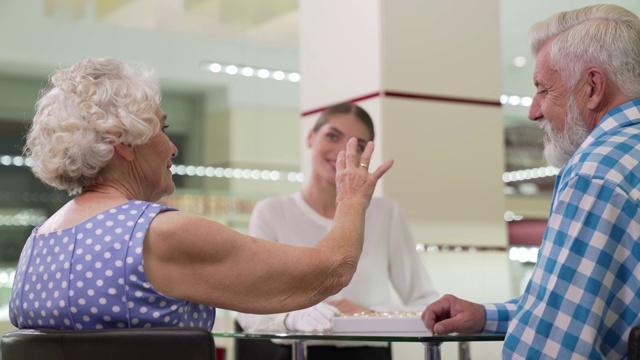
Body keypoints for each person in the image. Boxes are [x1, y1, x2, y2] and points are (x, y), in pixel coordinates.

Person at [8, 58, 394, 331]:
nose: (173, 149)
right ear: (122, 142)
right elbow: (328, 270)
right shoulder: (159, 236)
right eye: (162, 128)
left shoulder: (37, 242)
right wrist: (352, 200)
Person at [422, 4, 640, 359]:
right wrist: (486, 316)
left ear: (593, 87)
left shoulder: (595, 173)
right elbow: (589, 309)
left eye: (543, 89)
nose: (533, 110)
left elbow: (554, 345)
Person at [236, 102, 439, 360]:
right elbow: (248, 306)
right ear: (311, 137)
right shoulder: (272, 212)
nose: (343, 152)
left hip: (370, 353)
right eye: (333, 136)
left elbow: (425, 303)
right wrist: (294, 316)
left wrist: (369, 315)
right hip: (297, 352)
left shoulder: (386, 213)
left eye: (358, 145)